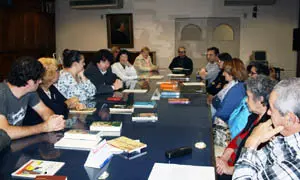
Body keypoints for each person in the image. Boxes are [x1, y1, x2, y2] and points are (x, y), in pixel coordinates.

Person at [233, 78, 300, 179]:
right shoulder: (283, 138)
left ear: (290, 119)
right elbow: (256, 162)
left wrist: (251, 144)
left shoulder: (295, 163)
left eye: (272, 109)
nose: (268, 112)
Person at [216, 75, 276, 179]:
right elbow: (238, 140)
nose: (246, 101)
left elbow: (257, 167)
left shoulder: (267, 128)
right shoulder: (253, 116)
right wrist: (224, 158)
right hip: (232, 163)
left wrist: (228, 169)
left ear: (260, 100)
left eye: (248, 97)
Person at [0, 56, 65, 140]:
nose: (41, 81)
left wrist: (54, 121)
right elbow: (4, 133)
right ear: (29, 82)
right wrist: (44, 127)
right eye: (38, 79)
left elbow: (44, 111)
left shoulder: (30, 91)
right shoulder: (2, 94)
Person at [23, 58, 86, 125]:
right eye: (57, 70)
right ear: (49, 74)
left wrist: (75, 104)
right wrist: (67, 104)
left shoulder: (51, 88)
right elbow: (56, 111)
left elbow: (64, 102)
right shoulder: (37, 91)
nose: (59, 72)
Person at [212, 58, 248, 122]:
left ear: (232, 73)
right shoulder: (234, 84)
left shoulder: (237, 90)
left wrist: (210, 122)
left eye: (225, 71)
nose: (223, 74)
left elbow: (223, 114)